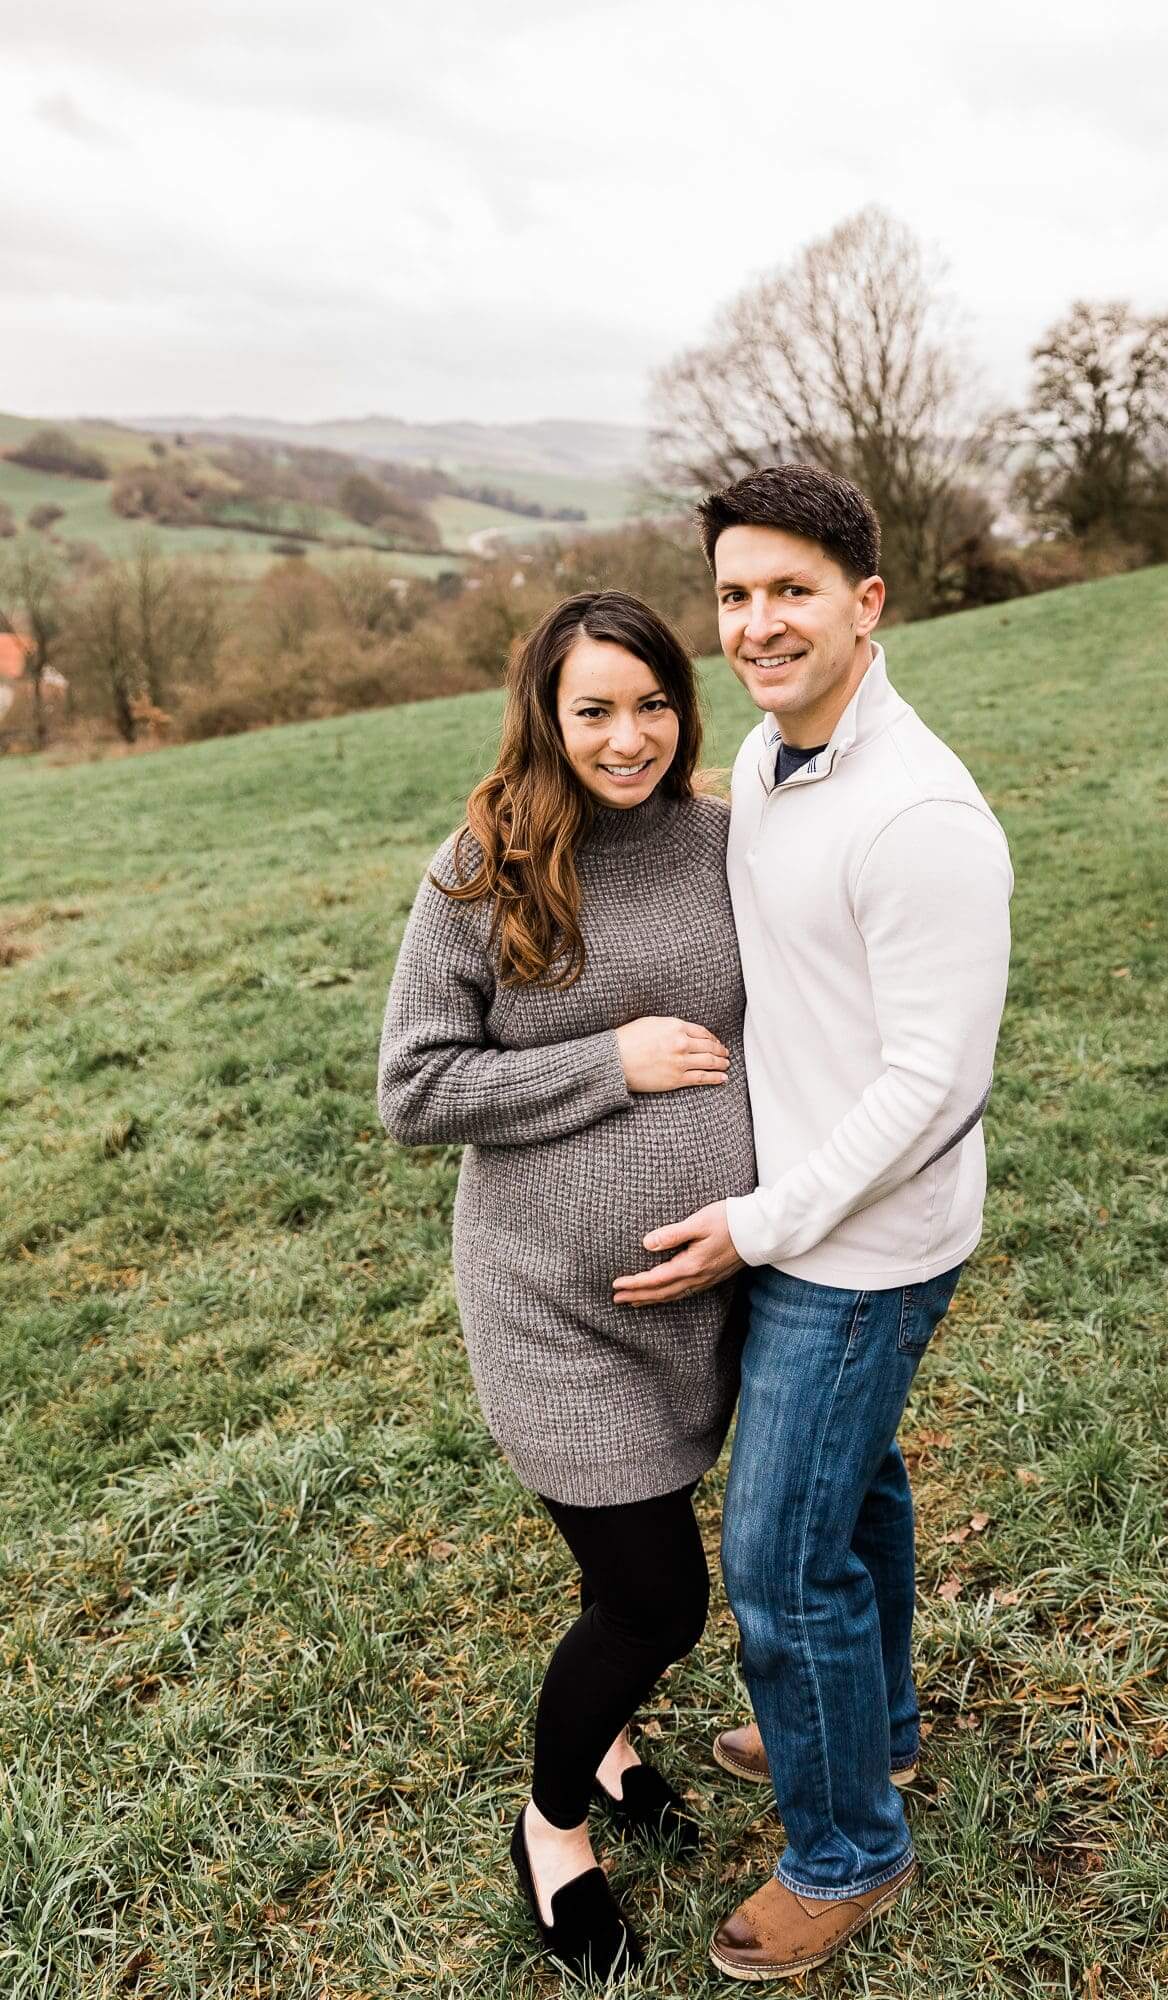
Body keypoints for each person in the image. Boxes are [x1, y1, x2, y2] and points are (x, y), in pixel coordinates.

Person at [613, 465, 1013, 1981]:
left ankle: (847, 1849)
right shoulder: (777, 762)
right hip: (802, 1217)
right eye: (734, 595)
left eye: (792, 590)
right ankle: (876, 1730)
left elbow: (935, 1082)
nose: (758, 624)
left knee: (782, 1560)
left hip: (858, 1245)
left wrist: (765, 1221)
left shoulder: (920, 815)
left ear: (866, 601)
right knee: (858, 1495)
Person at [378, 590, 755, 1981]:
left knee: (626, 1578)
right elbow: (416, 1089)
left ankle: (606, 1741)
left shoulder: (725, 838)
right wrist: (610, 1062)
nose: (627, 737)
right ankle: (552, 1828)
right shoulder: (484, 867)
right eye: (593, 709)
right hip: (551, 1314)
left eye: (652, 704)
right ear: (545, 713)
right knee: (657, 1601)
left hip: (712, 1295)